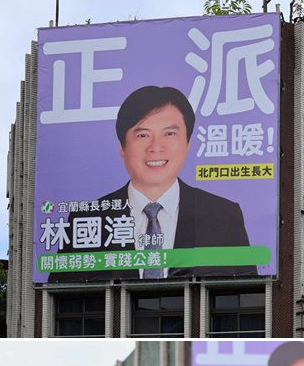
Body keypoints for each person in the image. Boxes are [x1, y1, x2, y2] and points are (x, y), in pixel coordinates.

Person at [60, 85, 253, 280]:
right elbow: (62, 298)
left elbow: (246, 294)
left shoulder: (224, 216)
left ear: (188, 143)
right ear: (122, 147)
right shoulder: (87, 219)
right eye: (143, 135)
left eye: (169, 134)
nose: (156, 147)